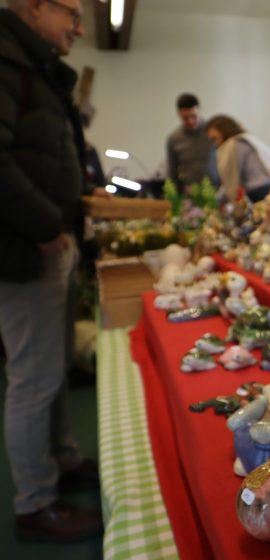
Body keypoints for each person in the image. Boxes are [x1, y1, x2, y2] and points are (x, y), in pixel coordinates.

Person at [0, 0, 103, 542]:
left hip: (49, 242)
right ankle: (35, 502)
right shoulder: (7, 59)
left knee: (54, 367)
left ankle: (62, 459)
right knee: (34, 379)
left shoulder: (33, 64)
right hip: (26, 250)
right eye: (72, 13)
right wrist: (45, 227)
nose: (80, 28)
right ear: (37, 7)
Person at [205, 114, 270, 203]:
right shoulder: (245, 138)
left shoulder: (231, 145)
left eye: (215, 139)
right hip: (269, 185)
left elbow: (230, 182)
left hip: (257, 191)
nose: (215, 144)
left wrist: (215, 201)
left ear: (224, 130)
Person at [166, 93, 219, 190]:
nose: (190, 121)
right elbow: (172, 172)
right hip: (189, 193)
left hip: (216, 191)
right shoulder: (174, 139)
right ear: (178, 114)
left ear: (199, 110)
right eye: (185, 118)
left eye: (194, 116)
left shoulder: (214, 133)